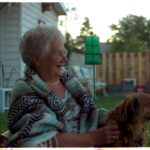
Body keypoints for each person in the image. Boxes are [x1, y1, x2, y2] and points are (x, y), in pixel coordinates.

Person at [7, 25, 120, 147]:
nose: (65, 59)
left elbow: (87, 114)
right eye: (58, 54)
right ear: (38, 59)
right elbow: (38, 142)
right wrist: (93, 138)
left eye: (64, 52)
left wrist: (111, 118)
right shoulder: (25, 91)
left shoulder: (69, 81)